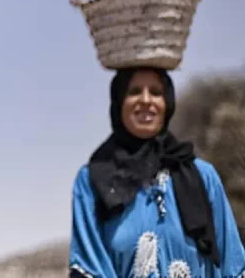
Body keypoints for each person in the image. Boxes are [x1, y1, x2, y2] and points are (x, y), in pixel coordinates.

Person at [69, 66, 245, 277]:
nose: (146, 100)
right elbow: (89, 267)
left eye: (155, 92)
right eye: (134, 91)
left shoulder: (202, 176)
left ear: (167, 103)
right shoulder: (92, 181)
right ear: (119, 101)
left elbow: (232, 265)